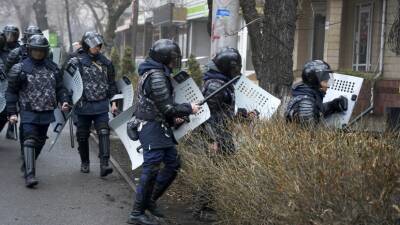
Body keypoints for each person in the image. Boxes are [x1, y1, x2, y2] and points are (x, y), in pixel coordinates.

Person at [127, 39, 200, 225]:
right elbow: (167, 107)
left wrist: (173, 119)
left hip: (159, 127)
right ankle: (136, 213)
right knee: (151, 169)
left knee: (173, 163)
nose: (175, 62)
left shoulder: (159, 73)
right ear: (164, 58)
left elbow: (160, 107)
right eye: (173, 58)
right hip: (150, 127)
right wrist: (188, 108)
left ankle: (149, 201)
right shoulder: (157, 76)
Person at [6, 35, 70, 188]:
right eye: (35, 51)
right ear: (29, 50)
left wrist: (65, 101)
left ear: (46, 51)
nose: (38, 54)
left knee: (39, 142)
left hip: (47, 111)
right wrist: (12, 112)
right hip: (28, 111)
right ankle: (30, 175)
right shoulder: (20, 68)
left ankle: (28, 163)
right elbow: (11, 92)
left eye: (41, 51)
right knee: (29, 139)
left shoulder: (53, 68)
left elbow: (60, 88)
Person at [64, 31, 118, 176]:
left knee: (104, 132)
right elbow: (67, 84)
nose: (97, 48)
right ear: (87, 45)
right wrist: (67, 101)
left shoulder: (106, 63)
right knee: (82, 135)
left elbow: (112, 84)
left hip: (101, 104)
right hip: (82, 105)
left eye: (99, 45)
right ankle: (85, 162)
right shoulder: (75, 61)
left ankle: (105, 164)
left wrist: (113, 102)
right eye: (94, 45)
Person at [285, 60, 348, 126]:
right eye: (325, 80)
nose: (328, 85)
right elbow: (308, 134)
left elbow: (317, 110)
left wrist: (333, 105)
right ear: (314, 80)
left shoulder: (306, 95)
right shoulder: (306, 104)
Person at [3, 24, 20, 139]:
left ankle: (10, 129)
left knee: (13, 104)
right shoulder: (1, 46)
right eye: (7, 35)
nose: (10, 37)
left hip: (13, 79)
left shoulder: (19, 48)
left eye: (12, 35)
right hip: (2, 79)